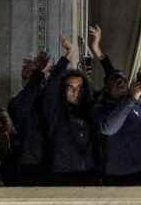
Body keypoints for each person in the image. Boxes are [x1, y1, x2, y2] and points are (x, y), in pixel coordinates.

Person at [88, 25, 141, 185]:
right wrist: (130, 99)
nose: (120, 81)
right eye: (115, 80)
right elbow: (109, 129)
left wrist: (97, 48)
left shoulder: (136, 103)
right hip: (116, 176)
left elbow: (112, 71)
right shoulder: (100, 108)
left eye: (124, 79)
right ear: (107, 88)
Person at [41, 35, 98, 186]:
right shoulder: (55, 111)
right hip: (63, 176)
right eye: (70, 88)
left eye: (79, 88)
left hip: (89, 174)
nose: (75, 92)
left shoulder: (89, 111)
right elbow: (51, 87)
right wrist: (68, 55)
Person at [7, 52, 50, 186]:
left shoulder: (48, 100)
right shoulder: (17, 102)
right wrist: (39, 74)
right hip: (30, 164)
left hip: (53, 162)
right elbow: (23, 103)